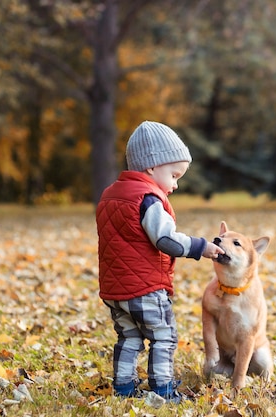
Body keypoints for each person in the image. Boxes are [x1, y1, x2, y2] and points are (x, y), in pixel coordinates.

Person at [96, 121, 224, 403]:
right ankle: (163, 389)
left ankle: (123, 387)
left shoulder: (109, 195)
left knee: (128, 338)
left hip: (114, 289)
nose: (176, 184)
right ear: (152, 167)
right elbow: (165, 240)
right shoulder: (148, 199)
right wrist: (201, 246)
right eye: (174, 175)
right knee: (163, 337)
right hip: (145, 288)